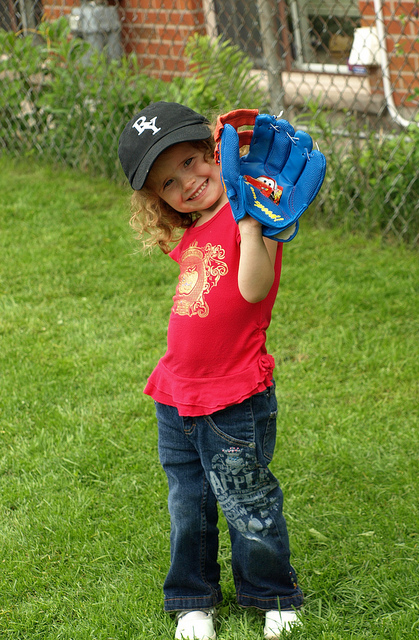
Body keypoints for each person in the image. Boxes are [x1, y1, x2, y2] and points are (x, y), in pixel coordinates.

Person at [118, 101, 303, 640]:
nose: (188, 182)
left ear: (217, 151)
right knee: (188, 503)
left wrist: (249, 221)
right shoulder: (195, 227)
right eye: (169, 183)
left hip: (233, 397)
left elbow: (253, 288)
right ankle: (193, 598)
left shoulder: (254, 214)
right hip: (177, 394)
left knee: (247, 501)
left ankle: (272, 595)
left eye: (192, 161)